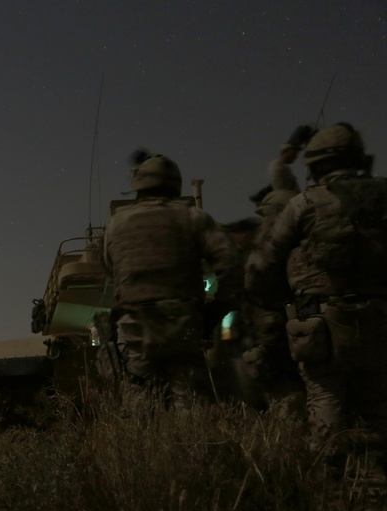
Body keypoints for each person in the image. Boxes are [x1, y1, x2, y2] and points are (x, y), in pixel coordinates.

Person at [246, 123, 387, 466]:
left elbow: (262, 267)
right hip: (380, 320)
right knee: (378, 405)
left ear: (317, 165)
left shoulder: (305, 203)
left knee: (326, 400)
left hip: (322, 326)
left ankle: (332, 485)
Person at [100, 154, 242, 407]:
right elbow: (231, 263)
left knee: (140, 404)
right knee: (189, 402)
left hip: (135, 326)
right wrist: (216, 309)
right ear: (174, 186)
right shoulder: (193, 217)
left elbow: (110, 267)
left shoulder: (115, 223)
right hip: (183, 323)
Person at [239, 190, 305, 410]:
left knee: (279, 381)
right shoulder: (307, 236)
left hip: (274, 319)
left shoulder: (271, 239)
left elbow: (255, 280)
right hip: (305, 317)